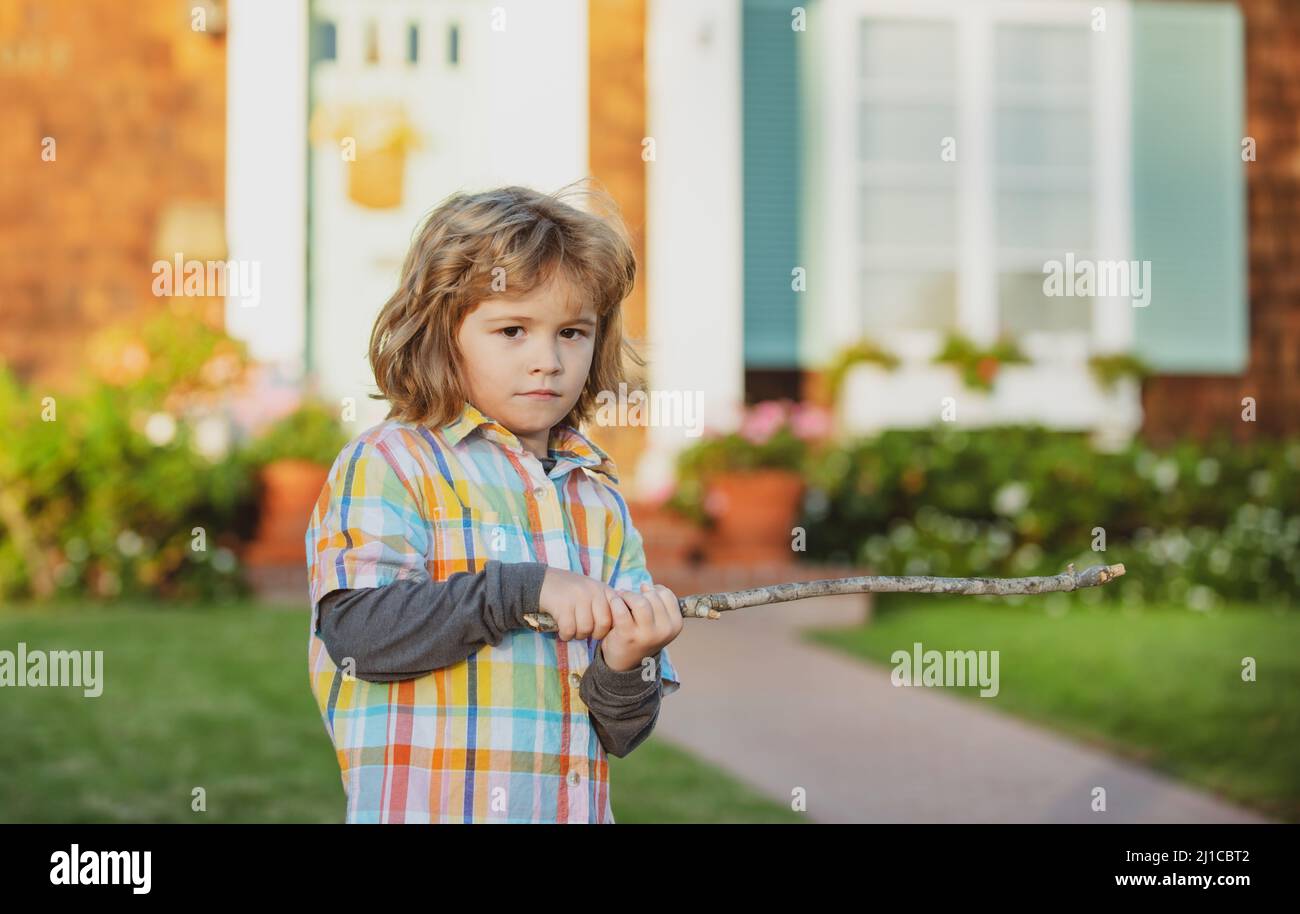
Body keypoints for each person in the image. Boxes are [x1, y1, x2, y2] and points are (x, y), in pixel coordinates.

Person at [304, 182, 684, 823]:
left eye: (571, 332)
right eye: (513, 330)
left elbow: (621, 731)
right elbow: (357, 637)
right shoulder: (393, 464)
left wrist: (629, 659)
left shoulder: (596, 497)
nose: (548, 361)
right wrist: (522, 589)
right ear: (441, 333)